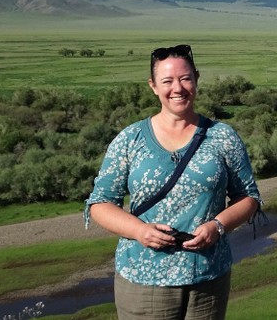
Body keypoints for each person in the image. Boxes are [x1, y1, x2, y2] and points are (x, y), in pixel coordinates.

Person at [85, 44, 261, 320]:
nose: (177, 88)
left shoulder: (222, 137)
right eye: (167, 81)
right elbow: (100, 203)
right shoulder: (130, 139)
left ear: (196, 80)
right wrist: (139, 231)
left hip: (208, 278)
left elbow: (249, 198)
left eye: (185, 78)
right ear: (153, 86)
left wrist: (218, 226)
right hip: (144, 278)